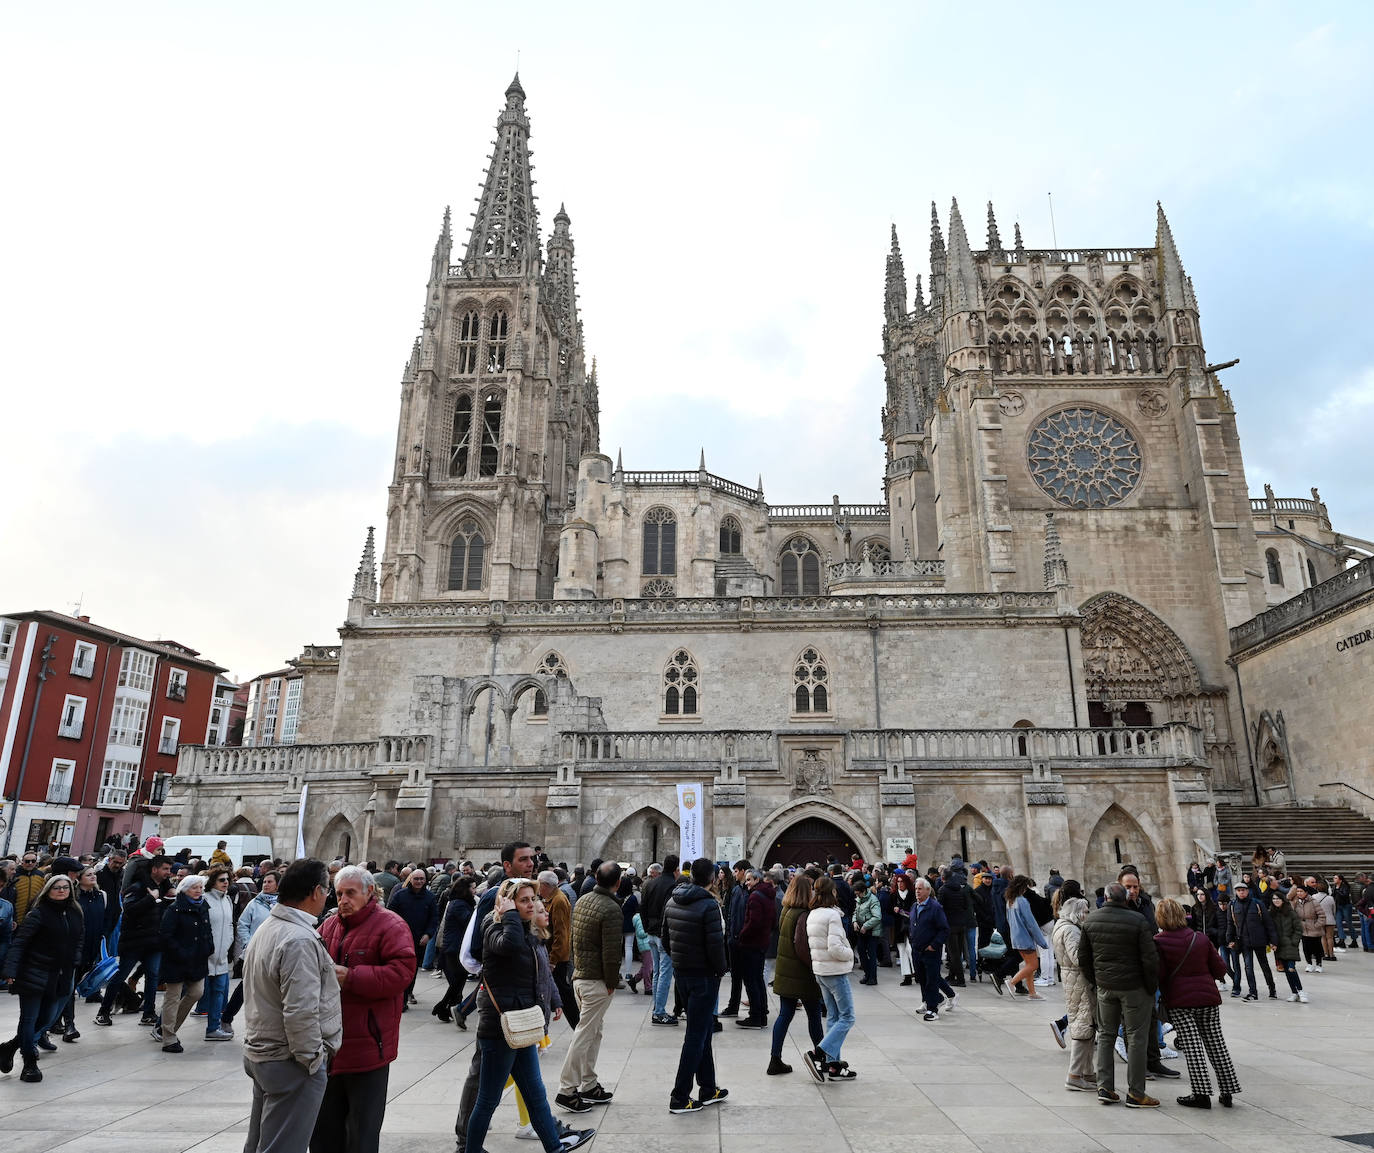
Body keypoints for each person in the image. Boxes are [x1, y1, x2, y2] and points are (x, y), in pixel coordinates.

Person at [466, 878, 595, 1152]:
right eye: (523, 900)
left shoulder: (525, 929)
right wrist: (509, 913)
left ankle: (554, 1147)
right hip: (501, 1028)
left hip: (523, 1024)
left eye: (531, 899)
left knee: (536, 1095)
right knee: (488, 1099)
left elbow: (540, 972)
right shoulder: (495, 925)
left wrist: (552, 1000)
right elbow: (508, 947)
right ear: (507, 901)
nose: (531, 904)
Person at [312, 865, 416, 1153]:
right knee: (324, 1130)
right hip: (330, 1045)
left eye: (350, 893)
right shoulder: (330, 924)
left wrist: (352, 976)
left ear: (369, 892)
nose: (343, 900)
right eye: (339, 893)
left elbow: (402, 973)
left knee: (362, 1132)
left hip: (369, 1046)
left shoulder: (391, 925)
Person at [242, 858, 342, 1153]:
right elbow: (300, 1009)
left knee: (261, 1143)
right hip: (289, 1060)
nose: (328, 897)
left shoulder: (271, 926)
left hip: (264, 1051)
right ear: (315, 892)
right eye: (327, 890)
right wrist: (312, 1059)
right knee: (283, 1146)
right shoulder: (298, 938)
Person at [1154, 896, 1241, 1109]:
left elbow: (1160, 975)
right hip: (1208, 999)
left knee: (1192, 1047)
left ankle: (1201, 1094)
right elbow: (1220, 969)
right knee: (1216, 1043)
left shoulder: (1159, 942)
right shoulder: (1200, 938)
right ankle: (1227, 1091)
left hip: (1179, 1001)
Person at [1078, 882, 1159, 1108]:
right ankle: (1136, 1093)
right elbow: (1150, 959)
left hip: (1105, 986)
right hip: (1134, 987)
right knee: (1136, 1038)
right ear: (1125, 898)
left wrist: (1097, 981)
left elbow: (1083, 958)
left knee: (1105, 1035)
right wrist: (1151, 987)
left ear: (1105, 898)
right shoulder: (1138, 921)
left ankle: (1105, 1087)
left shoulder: (1091, 921)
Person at [0, 874, 84, 1082]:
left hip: (60, 975)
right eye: (56, 887)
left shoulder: (75, 912)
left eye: (65, 887)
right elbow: (20, 942)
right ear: (48, 890)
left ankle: (9, 1046)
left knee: (46, 1019)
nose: (61, 890)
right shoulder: (38, 914)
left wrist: (75, 960)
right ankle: (29, 1063)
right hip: (33, 972)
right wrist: (10, 970)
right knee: (29, 1020)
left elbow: (79, 938)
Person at [662, 856, 730, 1113]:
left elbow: (665, 939)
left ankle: (708, 1087)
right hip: (703, 976)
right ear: (712, 879)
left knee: (701, 1032)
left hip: (683, 974)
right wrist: (721, 969)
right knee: (695, 1036)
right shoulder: (709, 905)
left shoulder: (673, 899)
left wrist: (680, 961)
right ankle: (680, 1096)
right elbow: (715, 946)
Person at [555, 860, 621, 1113]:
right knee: (585, 1033)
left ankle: (588, 1084)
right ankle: (567, 1089)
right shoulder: (611, 908)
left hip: (580, 977)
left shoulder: (582, 900)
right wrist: (612, 983)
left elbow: (574, 939)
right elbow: (611, 952)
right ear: (617, 883)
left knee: (593, 1031)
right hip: (596, 981)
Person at [767, 870, 824, 1075]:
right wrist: (815, 967)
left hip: (786, 972)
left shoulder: (787, 910)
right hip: (802, 974)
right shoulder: (802, 915)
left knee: (785, 1015)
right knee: (814, 1016)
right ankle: (821, 1056)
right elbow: (802, 947)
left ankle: (775, 1058)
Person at [805, 873, 857, 1081]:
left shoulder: (813, 914)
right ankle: (819, 1053)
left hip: (820, 970)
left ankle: (833, 1064)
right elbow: (835, 947)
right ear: (832, 892)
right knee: (847, 1017)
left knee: (834, 1018)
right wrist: (850, 952)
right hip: (835, 971)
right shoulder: (832, 915)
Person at [156, 872, 215, 1053]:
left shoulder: (203, 906)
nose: (198, 891)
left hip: (197, 959)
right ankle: (169, 1037)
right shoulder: (174, 909)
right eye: (194, 888)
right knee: (172, 997)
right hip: (177, 960)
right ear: (185, 889)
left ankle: (169, 1027)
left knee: (197, 993)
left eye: (200, 887)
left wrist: (209, 947)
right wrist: (181, 952)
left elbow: (207, 929)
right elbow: (166, 935)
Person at [222, 870, 279, 1031]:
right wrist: (249, 942)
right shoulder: (255, 903)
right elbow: (243, 924)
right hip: (255, 951)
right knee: (245, 986)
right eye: (265, 882)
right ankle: (226, 1018)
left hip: (277, 951)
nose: (266, 884)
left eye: (270, 882)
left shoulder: (284, 903)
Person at [1052, 895, 1095, 1092]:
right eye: (1085, 911)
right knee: (1082, 1027)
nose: (1087, 915)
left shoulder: (1062, 926)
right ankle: (1074, 1075)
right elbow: (1078, 958)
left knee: (1085, 1026)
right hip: (1078, 980)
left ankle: (1087, 1072)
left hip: (1072, 979)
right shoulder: (1070, 930)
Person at [387, 865, 438, 1010]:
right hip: (400, 939)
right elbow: (390, 914)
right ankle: (401, 999)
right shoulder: (400, 895)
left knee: (412, 969)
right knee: (400, 968)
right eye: (416, 879)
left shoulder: (430, 897)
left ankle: (408, 993)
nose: (419, 881)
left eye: (422, 879)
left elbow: (434, 918)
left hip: (419, 940)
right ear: (411, 879)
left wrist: (428, 934)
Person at [640, 856, 678, 1024]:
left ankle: (657, 1008)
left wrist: (647, 926)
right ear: (675, 868)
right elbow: (668, 911)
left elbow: (643, 908)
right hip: (663, 934)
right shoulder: (672, 885)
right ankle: (659, 1011)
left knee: (657, 972)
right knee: (664, 973)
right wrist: (664, 932)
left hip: (651, 932)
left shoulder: (651, 883)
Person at [909, 876, 953, 1021]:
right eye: (916, 889)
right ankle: (929, 1001)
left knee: (931, 980)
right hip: (917, 949)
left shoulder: (935, 907)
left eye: (920, 889)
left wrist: (934, 945)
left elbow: (944, 929)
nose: (917, 891)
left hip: (930, 951)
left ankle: (933, 1010)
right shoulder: (915, 906)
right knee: (921, 978)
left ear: (928, 890)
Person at [434, 875, 477, 1025]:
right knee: (458, 980)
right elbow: (468, 921)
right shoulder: (459, 904)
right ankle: (443, 1007)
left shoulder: (460, 902)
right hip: (454, 947)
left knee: (458, 981)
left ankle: (445, 1008)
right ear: (466, 889)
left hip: (455, 946)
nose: (475, 890)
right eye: (473, 887)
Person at [735, 868, 775, 1024]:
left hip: (751, 944)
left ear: (757, 880)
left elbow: (754, 922)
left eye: (749, 879)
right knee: (757, 979)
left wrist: (741, 935)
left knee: (751, 980)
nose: (747, 883)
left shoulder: (755, 897)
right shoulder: (767, 895)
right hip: (762, 942)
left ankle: (756, 1016)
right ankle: (761, 1012)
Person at [202, 865, 237, 1041]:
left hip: (221, 957)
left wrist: (228, 943)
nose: (225, 883)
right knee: (189, 994)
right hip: (204, 957)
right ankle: (164, 1026)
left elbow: (230, 924)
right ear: (213, 882)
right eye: (221, 880)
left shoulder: (227, 900)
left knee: (219, 992)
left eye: (227, 880)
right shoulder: (204, 899)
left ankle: (213, 1028)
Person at [1226, 880, 1276, 1000]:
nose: (1241, 892)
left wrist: (1273, 940)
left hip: (1259, 940)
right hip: (1243, 941)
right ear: (1236, 892)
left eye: (1243, 890)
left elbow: (1268, 923)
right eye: (1238, 891)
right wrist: (1230, 939)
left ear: (1247, 891)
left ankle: (1272, 989)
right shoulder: (1232, 906)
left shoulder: (1257, 903)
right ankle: (1253, 992)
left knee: (1265, 966)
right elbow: (1230, 924)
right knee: (1248, 967)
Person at [1004, 875, 1047, 999]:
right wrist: (1041, 941)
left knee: (1029, 965)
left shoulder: (1010, 901)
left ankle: (1032, 993)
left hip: (1016, 937)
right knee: (1033, 965)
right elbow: (1031, 923)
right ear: (1022, 887)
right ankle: (1012, 983)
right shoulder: (1022, 901)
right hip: (1024, 937)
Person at [1270, 888, 1307, 1003]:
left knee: (1291, 968)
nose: (1276, 901)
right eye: (1274, 899)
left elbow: (1298, 929)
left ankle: (1301, 991)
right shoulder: (1272, 913)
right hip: (1279, 946)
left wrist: (1294, 941)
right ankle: (1294, 992)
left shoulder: (1291, 912)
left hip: (1290, 944)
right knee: (1286, 970)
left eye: (1278, 899)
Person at [1291, 880, 1327, 973]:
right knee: (1306, 948)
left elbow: (1322, 915)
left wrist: (1316, 925)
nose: (1299, 893)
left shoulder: (1313, 902)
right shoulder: (1296, 903)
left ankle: (1319, 964)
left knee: (1317, 948)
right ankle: (1309, 963)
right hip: (1303, 929)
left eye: (1301, 891)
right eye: (1297, 891)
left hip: (1314, 929)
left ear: (1306, 892)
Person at [852, 877, 881, 986]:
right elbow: (855, 912)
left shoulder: (873, 900)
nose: (857, 896)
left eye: (858, 893)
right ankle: (867, 974)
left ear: (864, 891)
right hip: (861, 931)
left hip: (871, 932)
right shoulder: (859, 899)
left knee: (871, 955)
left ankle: (872, 977)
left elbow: (877, 917)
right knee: (861, 953)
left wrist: (865, 926)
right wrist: (854, 921)